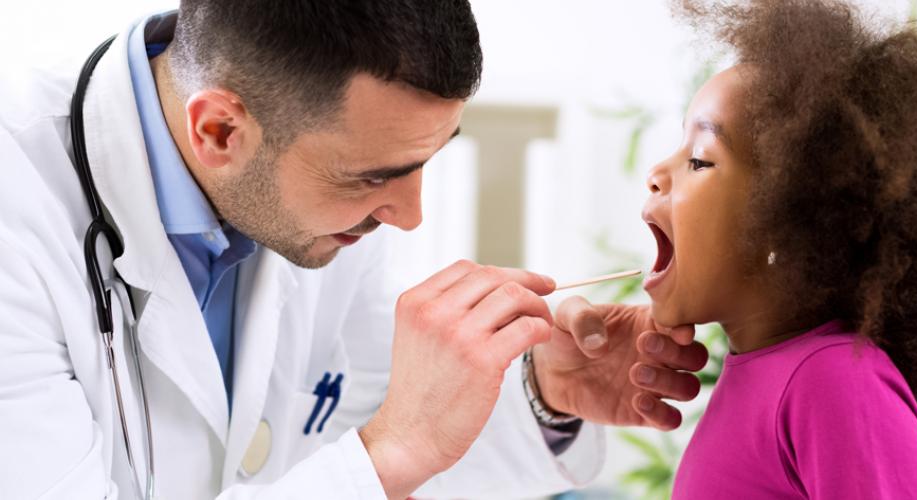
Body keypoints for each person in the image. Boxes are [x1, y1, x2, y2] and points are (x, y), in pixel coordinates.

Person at [0, 2, 708, 498]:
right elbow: (375, 462)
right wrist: (393, 450)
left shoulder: (315, 204)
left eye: (425, 163)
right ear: (218, 131)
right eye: (374, 178)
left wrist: (542, 395)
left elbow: (348, 446)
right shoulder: (19, 216)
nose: (408, 215)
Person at [638, 0, 917, 498]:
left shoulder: (834, 382)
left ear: (788, 218)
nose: (655, 175)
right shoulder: (765, 374)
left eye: (699, 160)